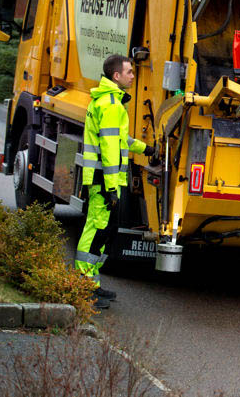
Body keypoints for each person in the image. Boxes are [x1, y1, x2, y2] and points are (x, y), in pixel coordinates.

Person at [75, 54, 155, 309]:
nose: (133, 75)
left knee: (103, 231)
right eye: (129, 72)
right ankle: (83, 288)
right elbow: (110, 151)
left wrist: (146, 149)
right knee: (96, 231)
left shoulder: (109, 101)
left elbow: (121, 140)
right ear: (116, 75)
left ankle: (91, 284)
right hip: (104, 180)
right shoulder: (111, 105)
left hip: (102, 178)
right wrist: (111, 188)